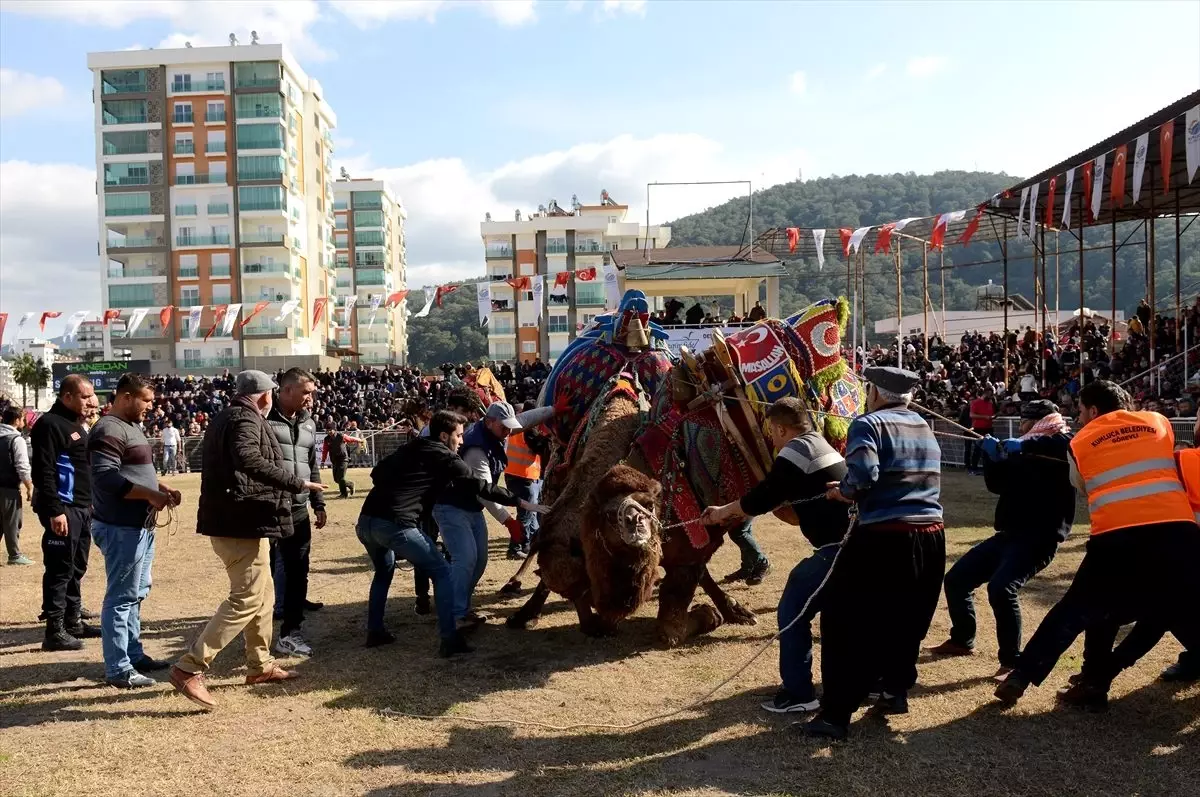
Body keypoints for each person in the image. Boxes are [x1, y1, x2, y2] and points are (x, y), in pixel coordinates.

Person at [994, 380, 1200, 710]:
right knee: (1168, 610)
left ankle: (1021, 675)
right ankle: (1094, 681)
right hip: (1176, 534)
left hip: (1115, 535)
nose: (1078, 417)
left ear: (1092, 409)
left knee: (1074, 609)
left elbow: (1081, 485)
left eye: (1079, 411)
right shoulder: (1158, 421)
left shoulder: (1080, 442)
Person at [799, 366, 945, 741]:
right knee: (905, 617)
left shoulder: (869, 424)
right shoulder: (924, 427)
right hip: (930, 534)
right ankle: (894, 691)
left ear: (875, 392)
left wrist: (842, 491)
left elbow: (863, 476)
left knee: (845, 621)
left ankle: (835, 715)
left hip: (885, 535)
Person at [169, 371, 325, 711]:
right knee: (247, 598)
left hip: (243, 521)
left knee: (264, 596)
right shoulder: (245, 419)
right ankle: (189, 667)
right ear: (267, 396)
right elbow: (248, 458)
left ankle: (260, 665)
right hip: (239, 522)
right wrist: (296, 483)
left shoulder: (229, 416)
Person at [701, 397, 851, 714]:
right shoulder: (819, 444)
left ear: (781, 428)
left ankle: (799, 694)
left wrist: (721, 513)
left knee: (793, 609)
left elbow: (762, 498)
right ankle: (870, 682)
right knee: (846, 618)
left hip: (837, 550)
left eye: (772, 429)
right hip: (855, 544)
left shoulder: (795, 451)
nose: (771, 436)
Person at [357, 410, 538, 656]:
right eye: (459, 435)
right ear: (444, 435)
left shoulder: (412, 446)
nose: (462, 441)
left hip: (366, 521)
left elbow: (377, 473)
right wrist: (519, 502)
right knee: (442, 572)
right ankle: (449, 639)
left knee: (384, 571)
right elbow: (480, 485)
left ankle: (375, 631)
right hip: (396, 524)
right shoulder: (444, 456)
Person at [928, 400, 1075, 677]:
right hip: (1009, 534)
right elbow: (998, 485)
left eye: (1024, 421)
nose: (1020, 426)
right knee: (957, 580)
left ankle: (1011, 661)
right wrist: (992, 458)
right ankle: (962, 639)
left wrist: (1024, 448)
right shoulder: (1024, 445)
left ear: (1037, 421)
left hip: (1039, 538)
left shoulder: (1063, 442)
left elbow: (1065, 447)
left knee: (1001, 588)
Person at [88, 374, 181, 688]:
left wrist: (160, 487)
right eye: (146, 400)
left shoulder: (131, 427)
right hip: (120, 527)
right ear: (126, 397)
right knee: (121, 597)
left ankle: (133, 654)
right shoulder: (108, 428)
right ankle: (119, 669)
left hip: (138, 526)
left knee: (136, 594)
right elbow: (106, 479)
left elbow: (133, 471)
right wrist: (150, 495)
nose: (150, 407)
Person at [432, 401, 550, 628]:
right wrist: (508, 520)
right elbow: (485, 492)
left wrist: (553, 410)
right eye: (504, 428)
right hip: (452, 506)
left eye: (509, 427)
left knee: (479, 561)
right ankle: (454, 615)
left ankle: (461, 607)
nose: (508, 432)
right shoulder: (476, 450)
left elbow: (524, 421)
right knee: (465, 559)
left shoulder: (497, 428)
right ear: (489, 422)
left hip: (471, 507)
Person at [32, 375, 99, 652]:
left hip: (82, 508)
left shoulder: (78, 425)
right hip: (63, 509)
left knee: (77, 567)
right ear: (68, 396)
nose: (91, 401)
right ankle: (54, 631)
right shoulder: (49, 424)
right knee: (60, 569)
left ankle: (73, 621)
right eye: (85, 397)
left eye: (92, 395)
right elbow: (43, 471)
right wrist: (55, 510)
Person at [265, 369, 327, 659]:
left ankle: (291, 632)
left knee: (298, 570)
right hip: (267, 510)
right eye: (306, 392)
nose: (310, 398)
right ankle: (258, 633)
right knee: (261, 575)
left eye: (312, 392)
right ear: (285, 390)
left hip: (299, 509)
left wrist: (319, 503)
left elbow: (311, 467)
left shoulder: (309, 423)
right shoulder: (262, 420)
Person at [501, 401, 544, 560]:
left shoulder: (516, 424)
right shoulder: (529, 429)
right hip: (525, 475)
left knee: (530, 514)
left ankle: (528, 544)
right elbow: (539, 447)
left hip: (513, 473)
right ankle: (515, 548)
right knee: (526, 514)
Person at [1, 406, 34, 566]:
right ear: (16, 420)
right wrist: (29, 487)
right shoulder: (16, 439)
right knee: (13, 521)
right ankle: (14, 555)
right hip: (8, 488)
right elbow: (22, 466)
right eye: (22, 419)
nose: (24, 422)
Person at [323, 424, 364, 498]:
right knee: (336, 479)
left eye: (330, 430)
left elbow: (351, 439)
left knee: (341, 478)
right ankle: (349, 485)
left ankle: (344, 493)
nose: (329, 431)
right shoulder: (326, 439)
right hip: (334, 460)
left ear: (334, 429)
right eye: (327, 430)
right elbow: (325, 450)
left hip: (343, 459)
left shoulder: (341, 436)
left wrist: (359, 440)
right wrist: (323, 461)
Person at [966, 389, 995, 474]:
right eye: (989, 395)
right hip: (978, 428)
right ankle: (974, 468)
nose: (991, 396)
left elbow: (990, 415)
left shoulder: (990, 403)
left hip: (988, 428)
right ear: (985, 394)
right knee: (977, 449)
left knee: (989, 448)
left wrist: (991, 417)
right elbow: (971, 415)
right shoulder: (975, 402)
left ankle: (987, 468)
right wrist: (985, 417)